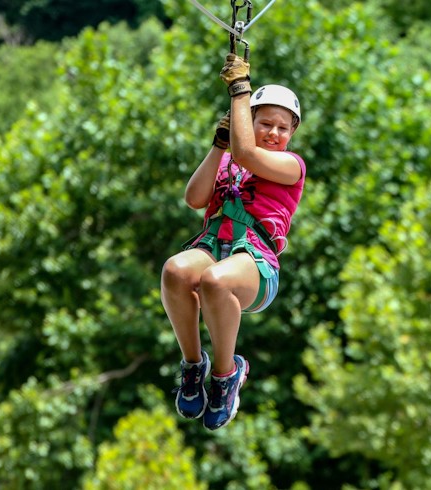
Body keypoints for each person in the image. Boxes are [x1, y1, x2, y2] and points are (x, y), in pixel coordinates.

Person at [161, 53, 305, 431]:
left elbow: (248, 152)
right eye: (264, 124)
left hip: (254, 265)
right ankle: (194, 365)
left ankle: (226, 376)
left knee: (216, 281)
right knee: (175, 270)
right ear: (249, 123)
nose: (274, 133)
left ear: (292, 135)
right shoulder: (231, 161)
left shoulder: (291, 166)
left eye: (282, 128)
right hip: (212, 249)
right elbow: (194, 198)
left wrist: (240, 88)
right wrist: (218, 146)